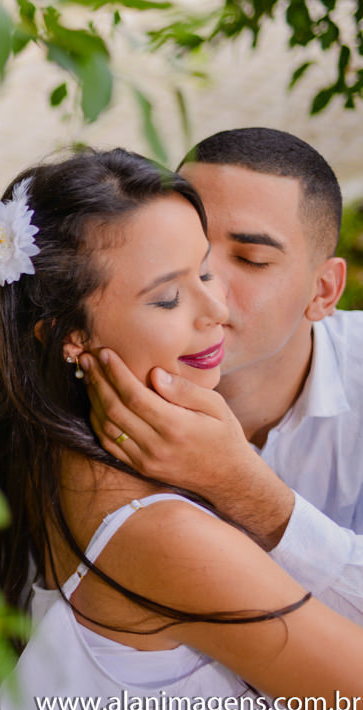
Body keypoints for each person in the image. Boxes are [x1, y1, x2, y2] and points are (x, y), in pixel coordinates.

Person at [0, 147, 363, 710]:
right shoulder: (165, 534)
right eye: (168, 297)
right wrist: (243, 486)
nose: (216, 307)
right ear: (70, 337)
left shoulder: (40, 432)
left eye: (203, 271)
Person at [79, 128, 363, 625]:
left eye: (251, 260)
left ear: (323, 290)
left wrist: (246, 491)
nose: (204, 286)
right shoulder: (99, 366)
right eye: (186, 246)